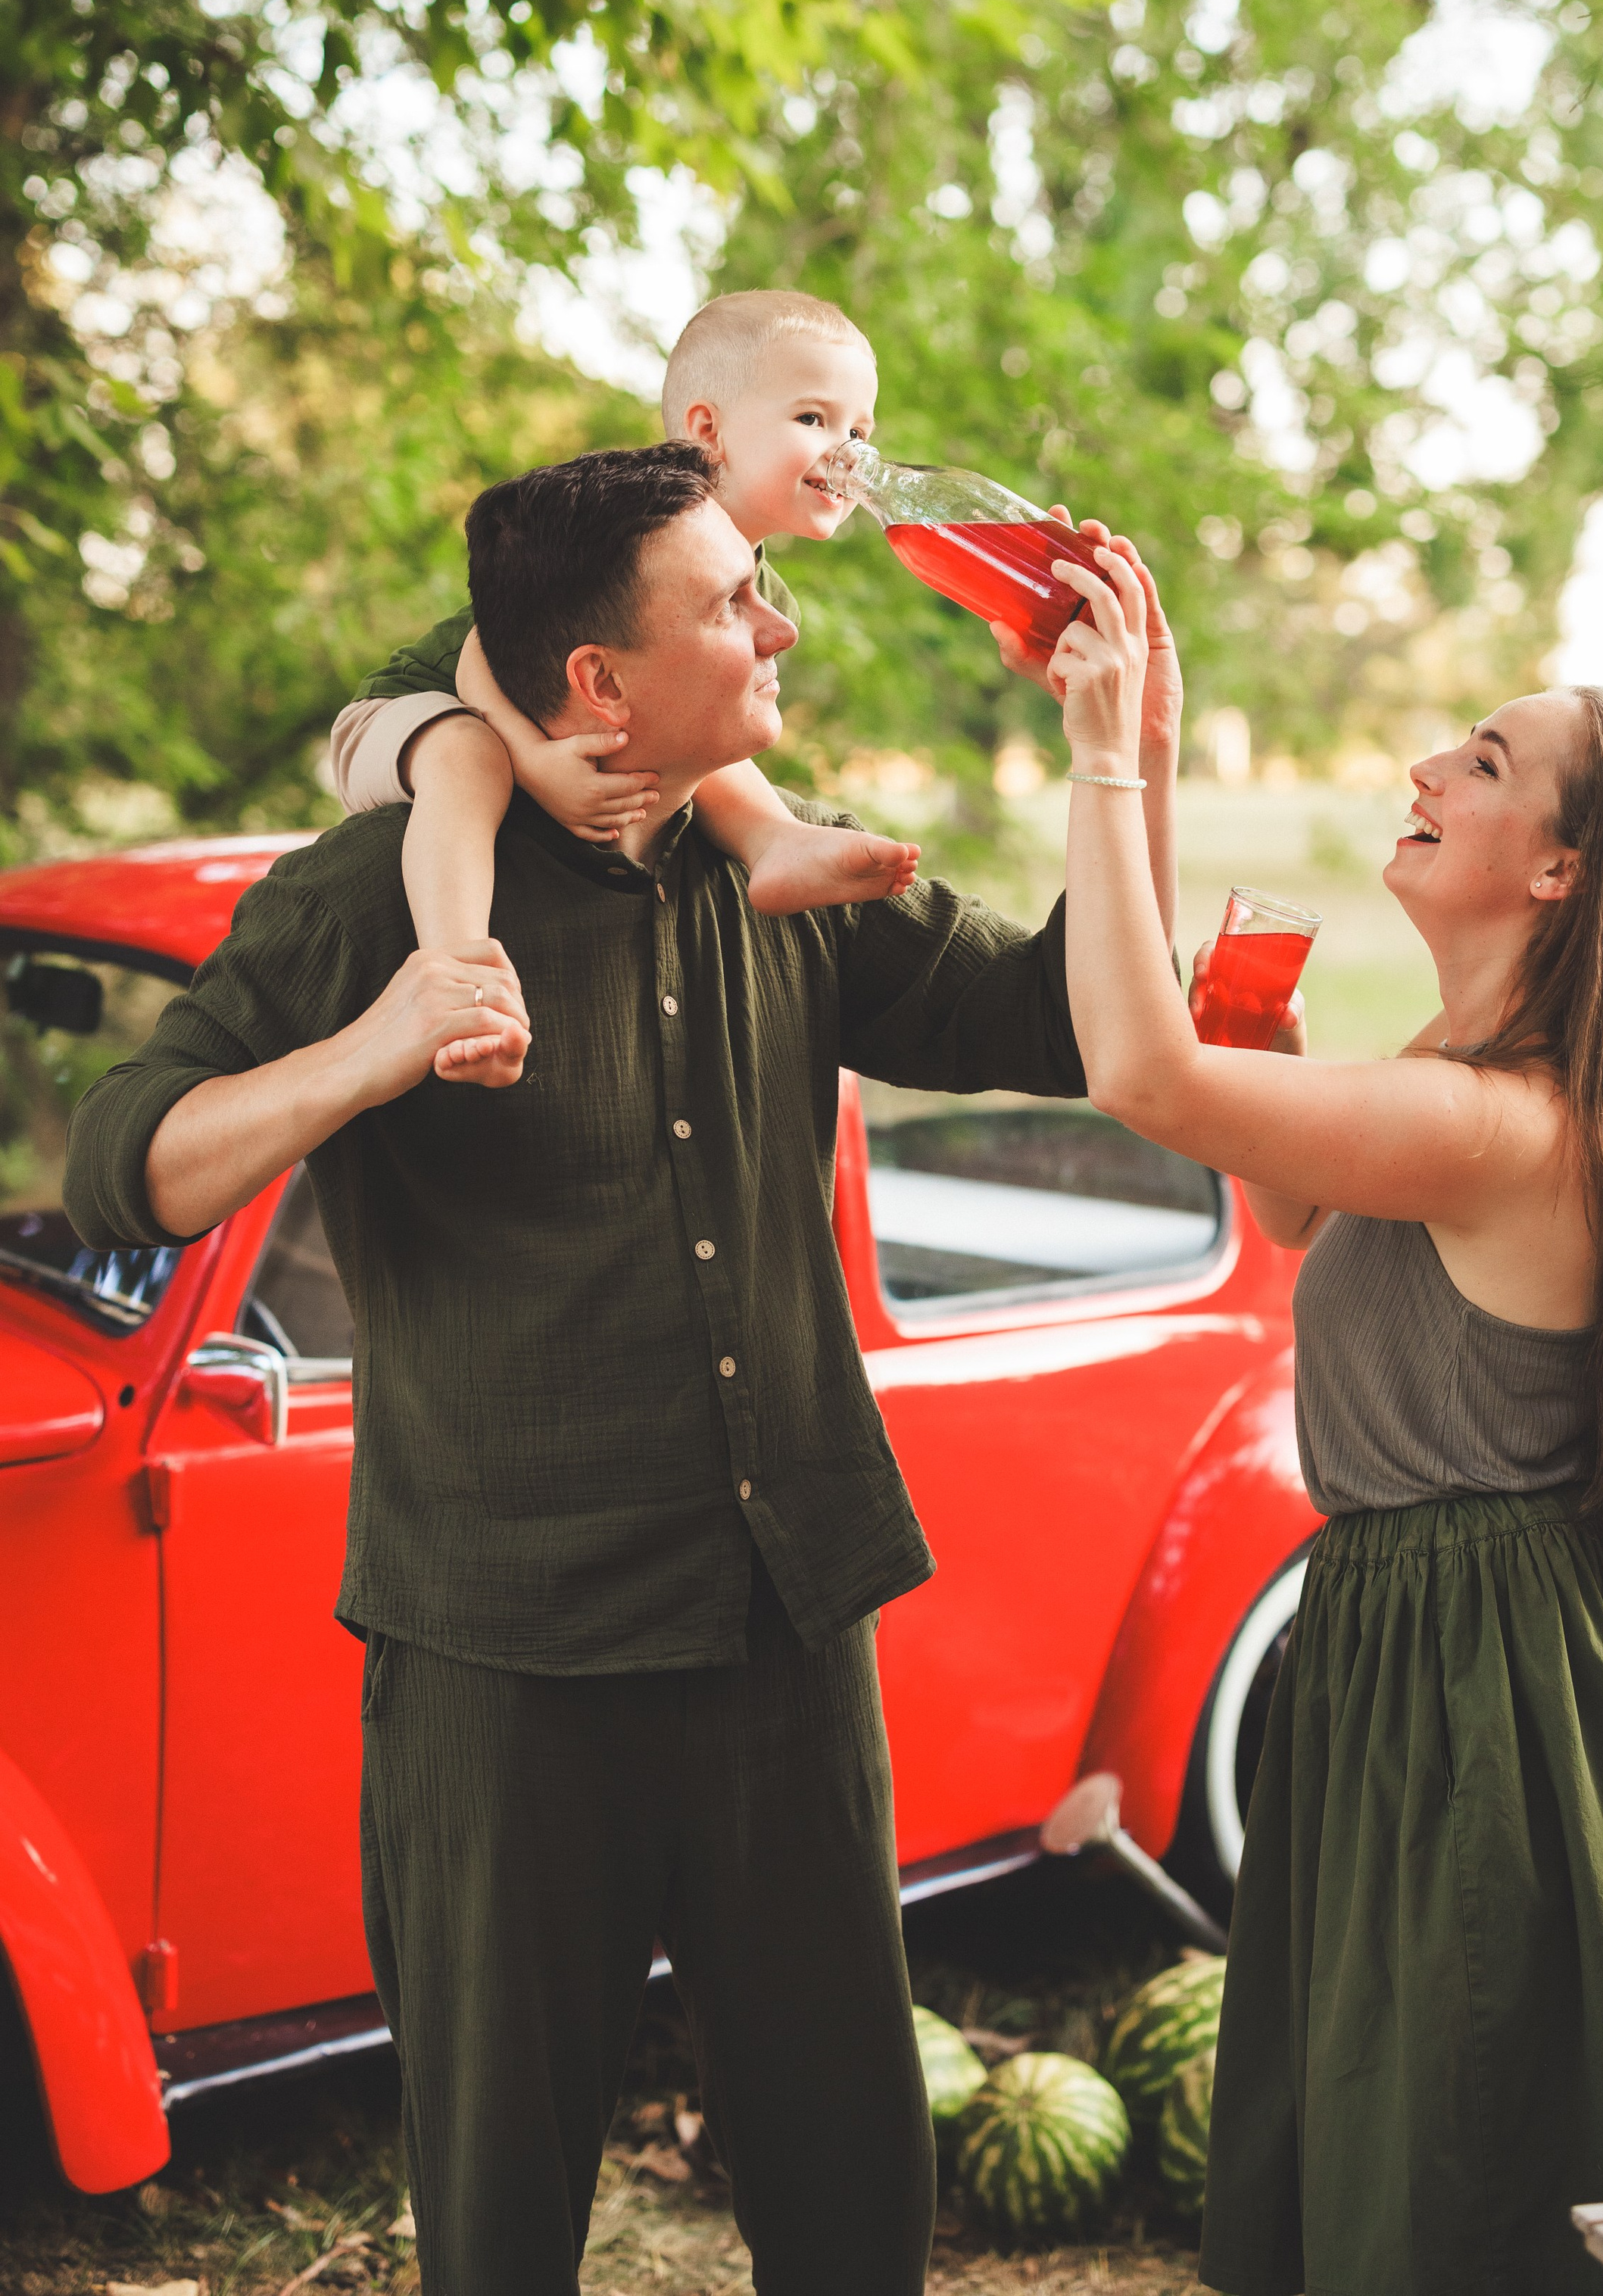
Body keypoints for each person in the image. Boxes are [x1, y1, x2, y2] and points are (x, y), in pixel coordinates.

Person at [63, 443, 1179, 2296]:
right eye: (735, 597)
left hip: (784, 1636)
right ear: (598, 680)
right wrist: (376, 1049)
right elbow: (126, 1160)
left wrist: (1114, 745)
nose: (779, 616)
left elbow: (1068, 1011)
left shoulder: (793, 868)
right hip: (505, 1671)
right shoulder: (371, 902)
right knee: (499, 2214)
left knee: (847, 2186)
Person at [1040, 542, 1603, 2296]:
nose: (1425, 771)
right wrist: (1141, 741)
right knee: (1434, 2124)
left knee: (1462, 2144)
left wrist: (1101, 760)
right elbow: (1274, 1195)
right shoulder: (1463, 1081)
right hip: (1441, 1648)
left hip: (1490, 1679)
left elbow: (1141, 1079)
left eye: (1482, 759)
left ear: (1561, 866)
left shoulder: (1498, 1121)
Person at [329, 288, 921, 1090]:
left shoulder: (763, 587)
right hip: (410, 715)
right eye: (814, 420)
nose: (847, 452)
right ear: (706, 431)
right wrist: (534, 763)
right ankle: (461, 980)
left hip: (521, 720)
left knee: (707, 727)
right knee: (468, 757)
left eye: (860, 430)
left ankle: (770, 838)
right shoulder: (634, 527)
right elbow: (478, 658)